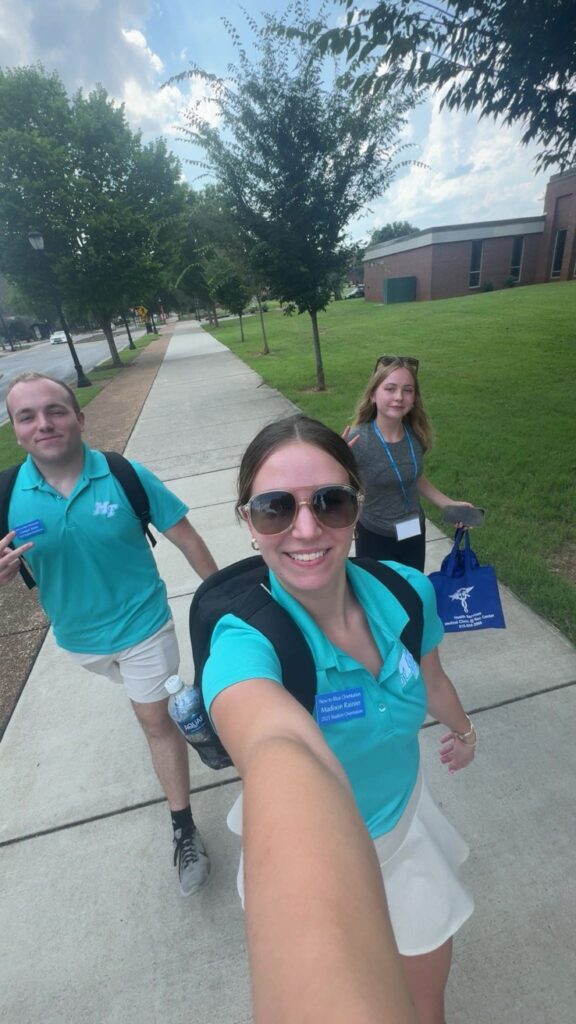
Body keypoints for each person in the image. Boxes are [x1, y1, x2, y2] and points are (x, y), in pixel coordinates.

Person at [203, 413, 476, 1024]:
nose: (306, 528)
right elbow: (273, 741)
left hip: (404, 827)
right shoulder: (243, 644)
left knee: (428, 1005)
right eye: (276, 508)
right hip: (311, 867)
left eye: (330, 502)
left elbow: (430, 679)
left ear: (357, 507)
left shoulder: (406, 591)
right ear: (248, 521)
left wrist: (464, 729)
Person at [0, 372, 218, 896]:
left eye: (55, 410)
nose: (43, 423)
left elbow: (185, 536)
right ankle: (183, 704)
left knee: (154, 722)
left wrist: (222, 599)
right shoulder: (6, 493)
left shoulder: (124, 475)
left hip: (143, 624)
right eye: (26, 416)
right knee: (155, 704)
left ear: (80, 417)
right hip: (79, 641)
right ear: (14, 429)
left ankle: (183, 827)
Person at [344, 355, 474, 571]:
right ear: (373, 395)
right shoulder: (358, 440)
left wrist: (448, 504)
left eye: (407, 390)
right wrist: (336, 460)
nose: (399, 397)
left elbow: (415, 478)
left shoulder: (416, 435)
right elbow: (330, 486)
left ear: (414, 398)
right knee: (382, 600)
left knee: (412, 594)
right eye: (390, 388)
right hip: (375, 536)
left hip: (413, 531)